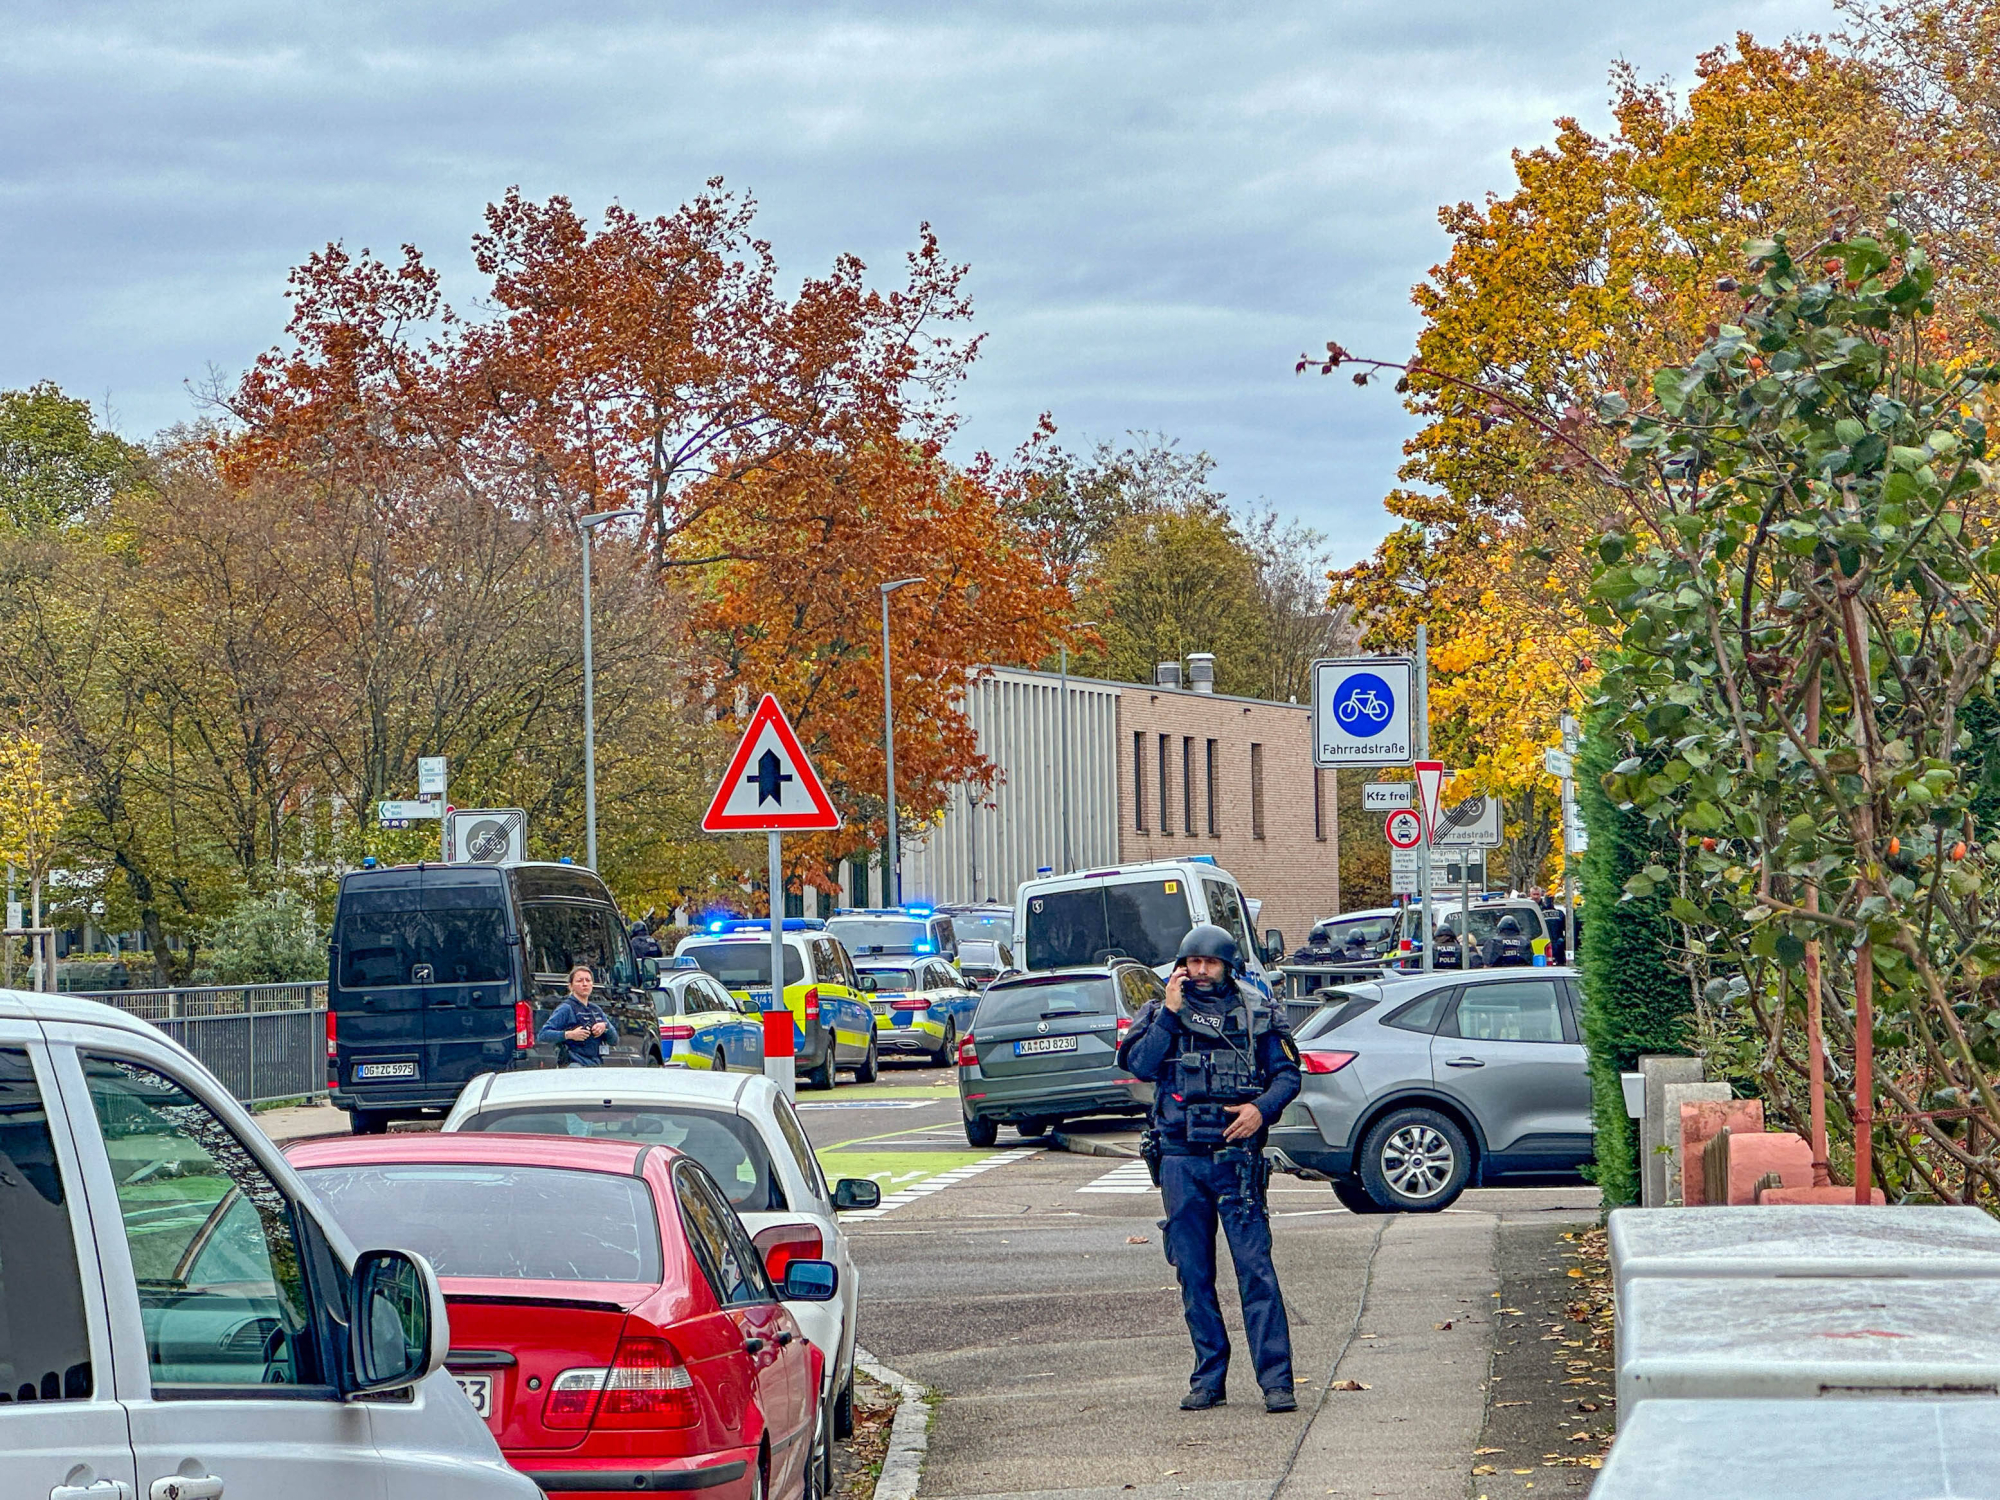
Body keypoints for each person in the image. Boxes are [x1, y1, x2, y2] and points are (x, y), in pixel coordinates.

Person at [1119, 925, 1302, 1414]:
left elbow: (1288, 1075)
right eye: (1193, 963)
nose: (1201, 971)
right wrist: (1169, 1013)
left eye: (1210, 963)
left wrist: (1260, 1109)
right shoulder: (1159, 1013)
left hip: (1236, 1160)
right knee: (1194, 1275)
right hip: (1180, 1159)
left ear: (1227, 966)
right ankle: (1209, 1379)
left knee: (1256, 1273)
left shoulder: (1255, 1012)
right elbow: (1141, 1066)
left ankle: (1277, 1382)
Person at [538, 965, 618, 1066]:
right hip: (574, 1065)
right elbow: (543, 1035)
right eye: (579, 981)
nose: (585, 984)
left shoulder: (596, 1010)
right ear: (570, 986)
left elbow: (614, 1041)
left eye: (588, 980)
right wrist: (569, 1035)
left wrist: (605, 1027)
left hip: (595, 1065)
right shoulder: (566, 1009)